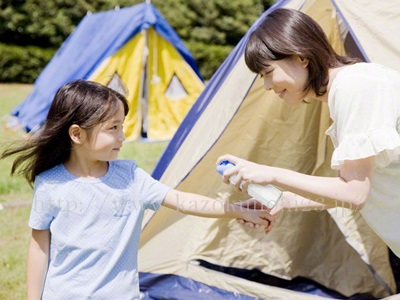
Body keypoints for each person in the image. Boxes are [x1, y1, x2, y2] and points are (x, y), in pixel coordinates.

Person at [1, 80, 274, 300]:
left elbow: (182, 200)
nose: (122, 136)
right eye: (113, 128)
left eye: (123, 127)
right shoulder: (51, 184)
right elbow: (39, 247)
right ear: (77, 134)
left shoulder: (131, 177)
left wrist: (235, 210)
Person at [217, 8, 400, 258]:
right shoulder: (348, 89)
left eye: (268, 73)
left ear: (300, 57)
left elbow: (355, 194)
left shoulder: (355, 88)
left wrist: (271, 174)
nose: (267, 86)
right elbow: (347, 189)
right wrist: (283, 200)